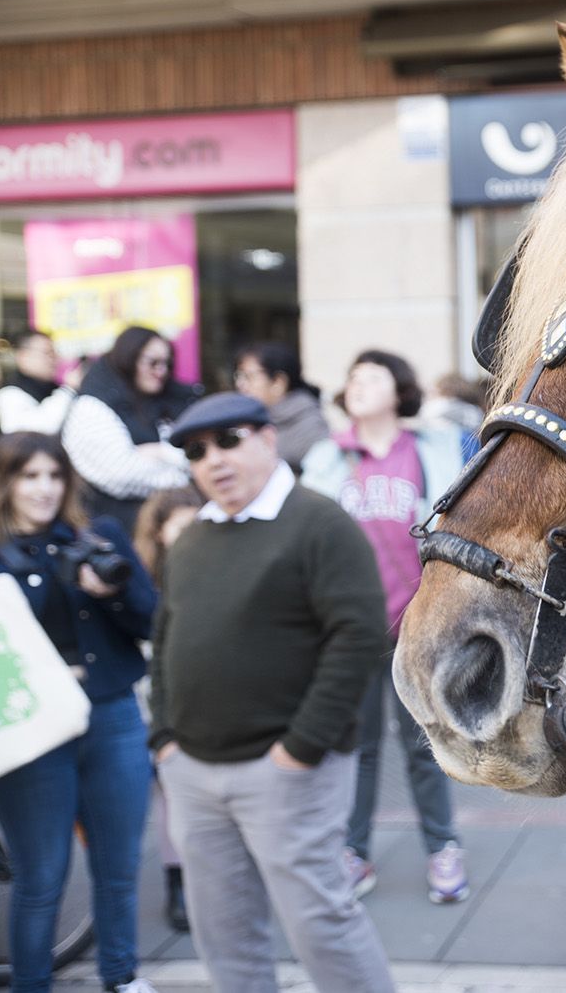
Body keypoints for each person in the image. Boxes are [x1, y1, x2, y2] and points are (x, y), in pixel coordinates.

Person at [147, 392, 395, 993]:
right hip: (194, 771)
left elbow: (358, 638)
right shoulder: (192, 538)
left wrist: (300, 749)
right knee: (222, 932)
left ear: (266, 438)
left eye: (227, 441)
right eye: (196, 452)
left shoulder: (321, 522)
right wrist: (163, 740)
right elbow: (166, 638)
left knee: (322, 925)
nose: (213, 460)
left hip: (287, 771)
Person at [0, 432, 159, 993]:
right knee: (41, 876)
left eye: (54, 476)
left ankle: (121, 978)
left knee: (119, 868)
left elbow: (152, 621)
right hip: (30, 729)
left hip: (111, 714)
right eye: (29, 476)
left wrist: (107, 592)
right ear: (4, 481)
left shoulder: (97, 537)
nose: (44, 489)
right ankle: (31, 986)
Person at [302, 350, 473, 904]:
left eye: (370, 376)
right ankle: (354, 852)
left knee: (424, 743)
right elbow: (309, 543)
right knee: (358, 746)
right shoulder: (328, 459)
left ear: (399, 390)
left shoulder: (432, 449)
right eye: (351, 378)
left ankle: (443, 848)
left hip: (417, 625)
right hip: (350, 630)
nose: (357, 384)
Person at [131, 484, 206, 935]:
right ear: (158, 534)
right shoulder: (142, 579)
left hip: (201, 698)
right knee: (168, 794)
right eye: (181, 527)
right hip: (152, 695)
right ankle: (177, 881)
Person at [61, 327, 196, 533]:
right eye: (152, 363)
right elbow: (123, 473)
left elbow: (199, 456)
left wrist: (161, 452)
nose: (161, 371)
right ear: (129, 358)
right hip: (117, 530)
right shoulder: (91, 405)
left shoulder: (169, 401)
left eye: (167, 363)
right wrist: (183, 470)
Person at [233, 341, 329, 473]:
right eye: (238, 376)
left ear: (278, 382)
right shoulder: (246, 421)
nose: (240, 384)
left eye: (248, 376)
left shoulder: (310, 426)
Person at [0, 330, 75, 435]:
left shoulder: (54, 388)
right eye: (48, 353)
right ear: (23, 357)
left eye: (55, 353)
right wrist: (68, 390)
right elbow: (32, 432)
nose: (55, 359)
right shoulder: (9, 394)